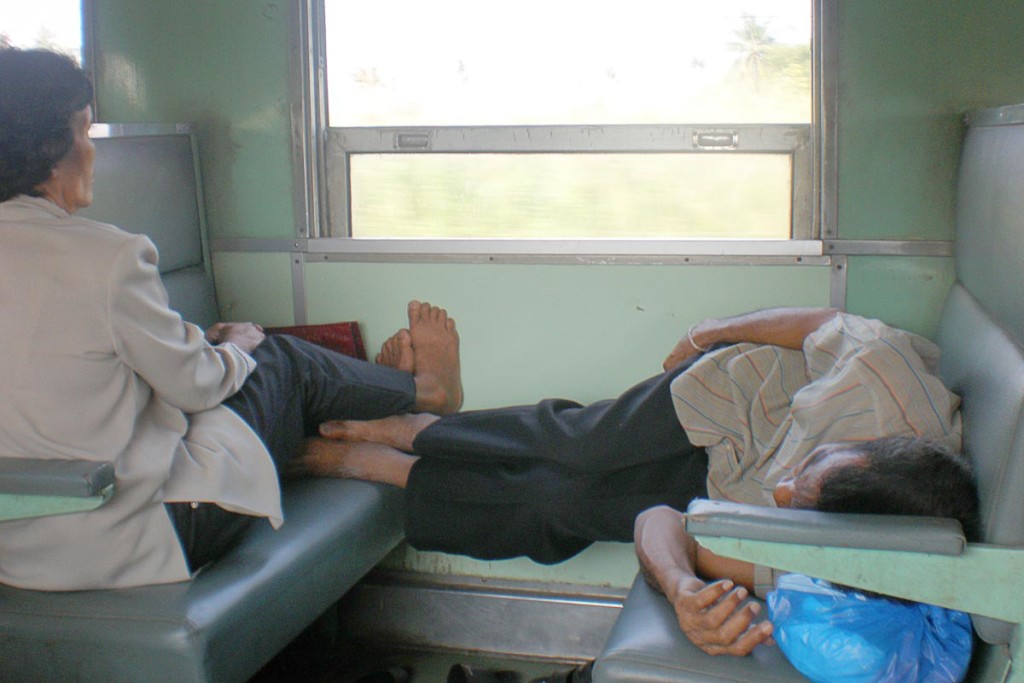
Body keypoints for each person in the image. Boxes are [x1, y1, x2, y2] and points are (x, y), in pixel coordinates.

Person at [0, 48, 462, 590]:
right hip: (145, 533)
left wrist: (197, 342)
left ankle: (340, 441)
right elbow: (195, 387)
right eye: (85, 131)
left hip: (20, 554)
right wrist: (237, 347)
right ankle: (422, 393)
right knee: (279, 359)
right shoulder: (107, 257)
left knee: (240, 370)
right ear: (52, 149)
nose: (91, 150)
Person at [293, 307, 965, 569]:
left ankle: (384, 467)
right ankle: (418, 423)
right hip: (740, 398)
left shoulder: (861, 553)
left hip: (726, 492)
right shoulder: (886, 376)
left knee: (558, 505)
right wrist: (711, 334)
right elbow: (822, 321)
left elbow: (715, 551)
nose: (789, 489)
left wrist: (688, 580)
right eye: (809, 468)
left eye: (806, 499)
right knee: (580, 447)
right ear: (863, 443)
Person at [633, 436, 979, 656]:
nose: (781, 492)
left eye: (800, 501)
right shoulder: (888, 452)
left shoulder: (816, 561)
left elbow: (661, 520)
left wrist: (682, 589)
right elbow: (660, 522)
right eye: (810, 463)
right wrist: (679, 586)